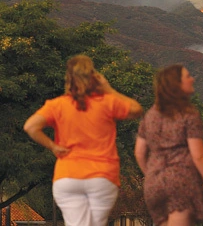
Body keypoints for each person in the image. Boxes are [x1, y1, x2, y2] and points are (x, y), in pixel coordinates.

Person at [23, 55, 143, 226]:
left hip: (67, 176)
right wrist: (109, 89)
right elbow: (136, 109)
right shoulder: (106, 102)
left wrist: (53, 146)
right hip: (101, 176)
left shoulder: (57, 105)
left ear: (69, 79)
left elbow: (30, 126)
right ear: (93, 77)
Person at [134, 65, 203, 226]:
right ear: (176, 84)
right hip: (181, 183)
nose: (192, 79)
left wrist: (152, 175)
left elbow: (139, 152)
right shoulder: (188, 113)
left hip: (154, 186)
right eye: (187, 76)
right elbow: (198, 155)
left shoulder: (150, 115)